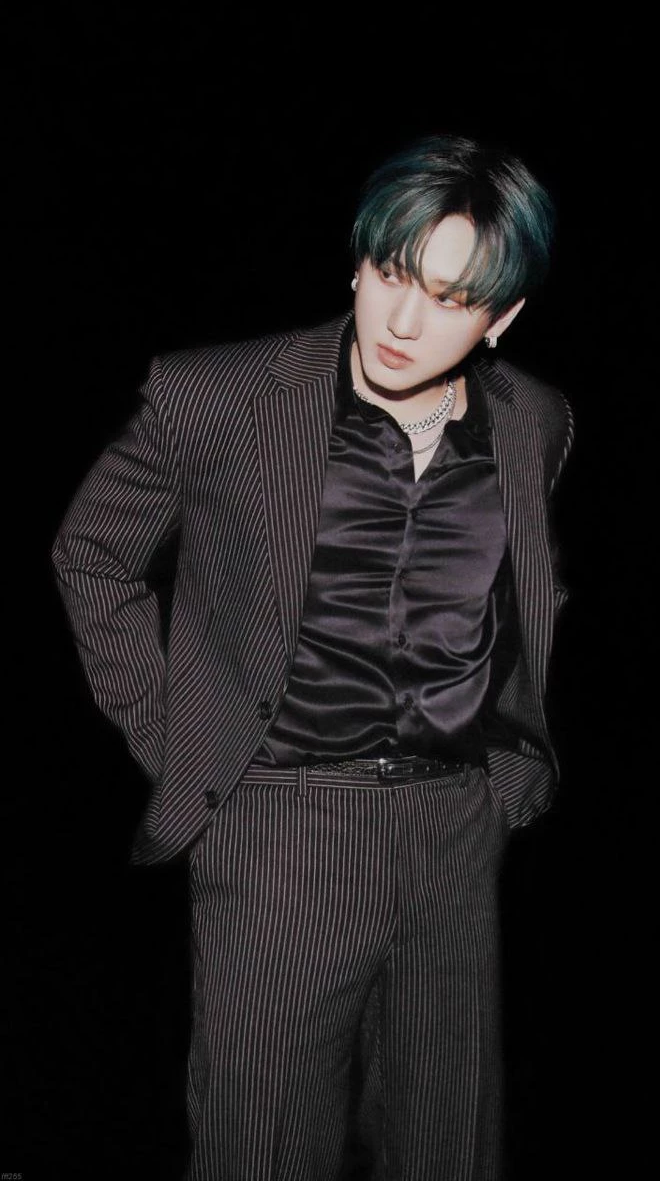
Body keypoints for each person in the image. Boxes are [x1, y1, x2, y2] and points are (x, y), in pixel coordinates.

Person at [52, 134, 574, 1181]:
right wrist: (180, 740)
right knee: (260, 1147)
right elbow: (92, 553)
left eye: (451, 297)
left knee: (448, 1146)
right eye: (391, 272)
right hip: (281, 832)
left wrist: (505, 779)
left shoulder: (535, 424)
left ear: (501, 318)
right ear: (357, 261)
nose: (404, 321)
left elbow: (523, 600)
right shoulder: (218, 398)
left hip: (453, 835)